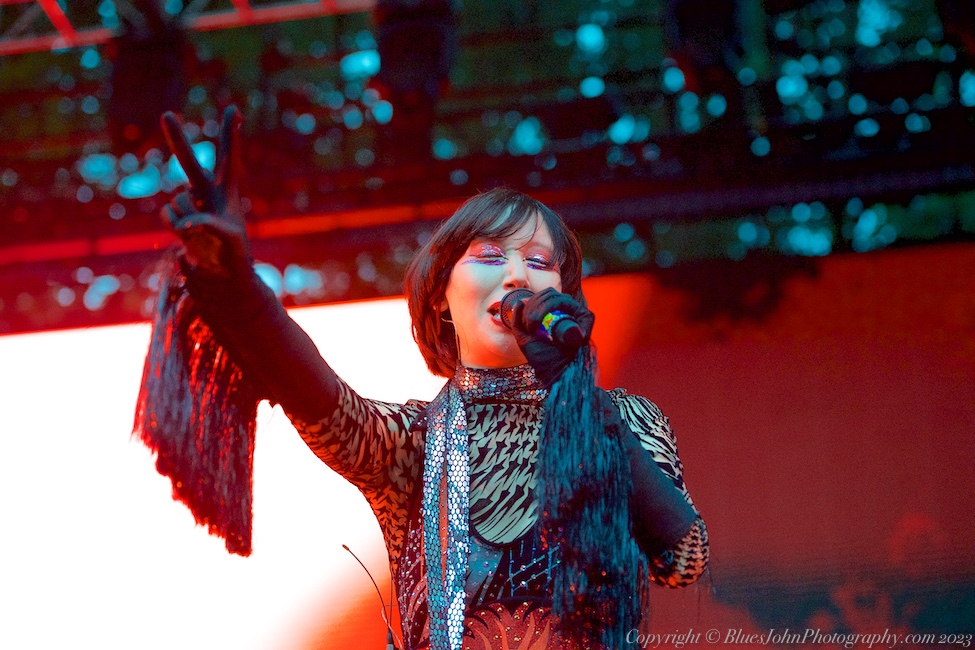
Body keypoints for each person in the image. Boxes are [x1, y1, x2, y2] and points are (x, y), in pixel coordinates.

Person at [135, 107, 709, 650]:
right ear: (441, 299)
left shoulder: (628, 418)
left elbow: (684, 558)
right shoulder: (416, 438)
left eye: (539, 262)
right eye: (490, 255)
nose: (516, 274)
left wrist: (578, 399)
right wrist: (242, 291)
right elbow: (321, 400)